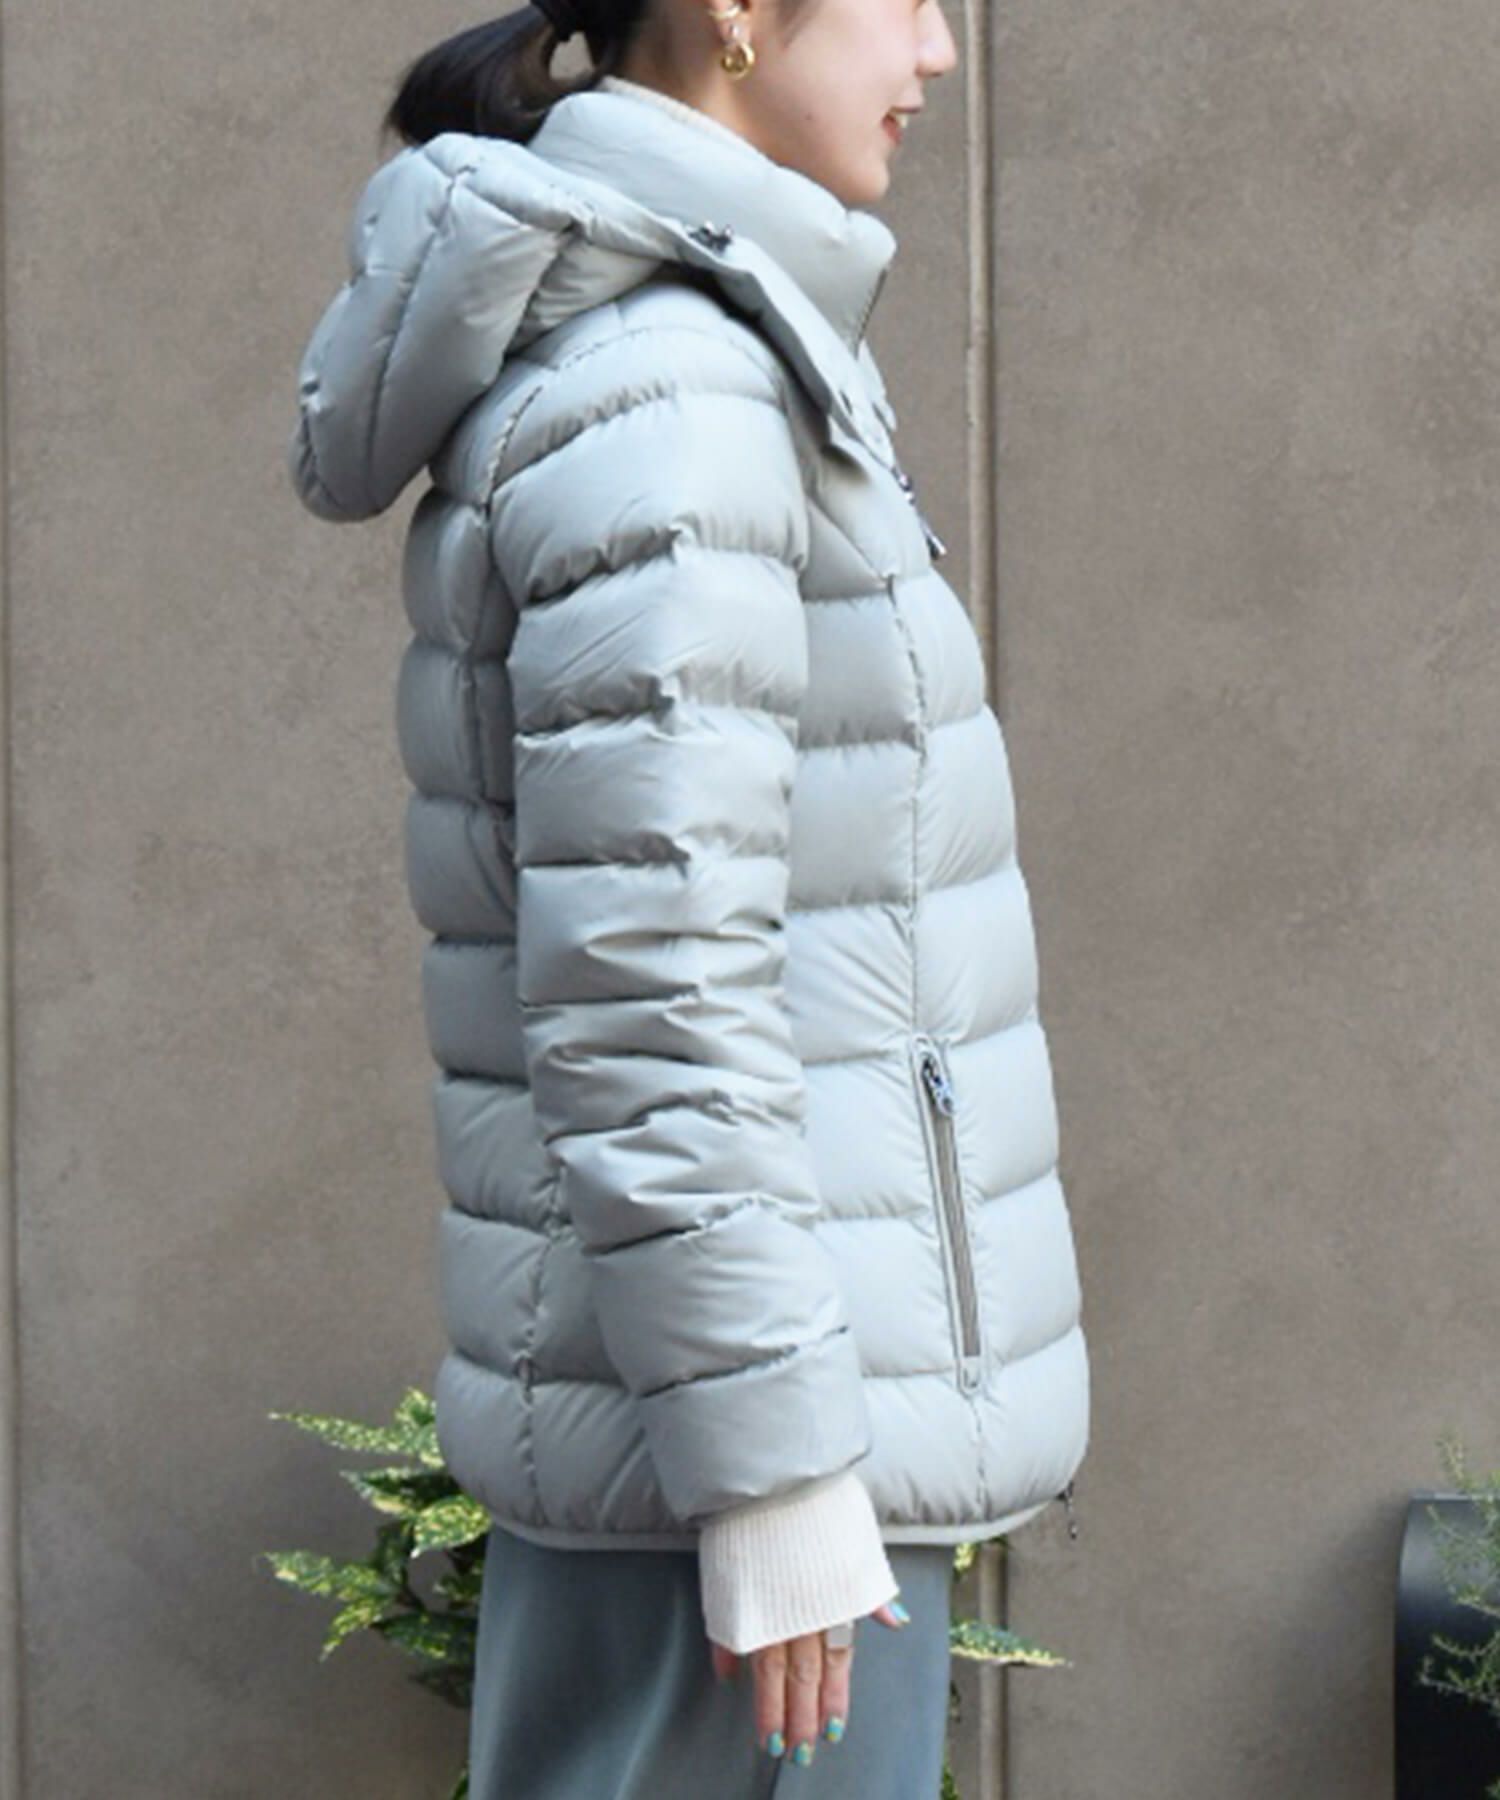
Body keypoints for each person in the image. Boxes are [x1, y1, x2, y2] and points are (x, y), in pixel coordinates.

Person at [286, 0, 1090, 1790]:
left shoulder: (694, 358)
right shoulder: (677, 399)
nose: (939, 50)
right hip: (739, 1495)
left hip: (711, 1448)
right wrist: (779, 1475)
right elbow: (649, 978)